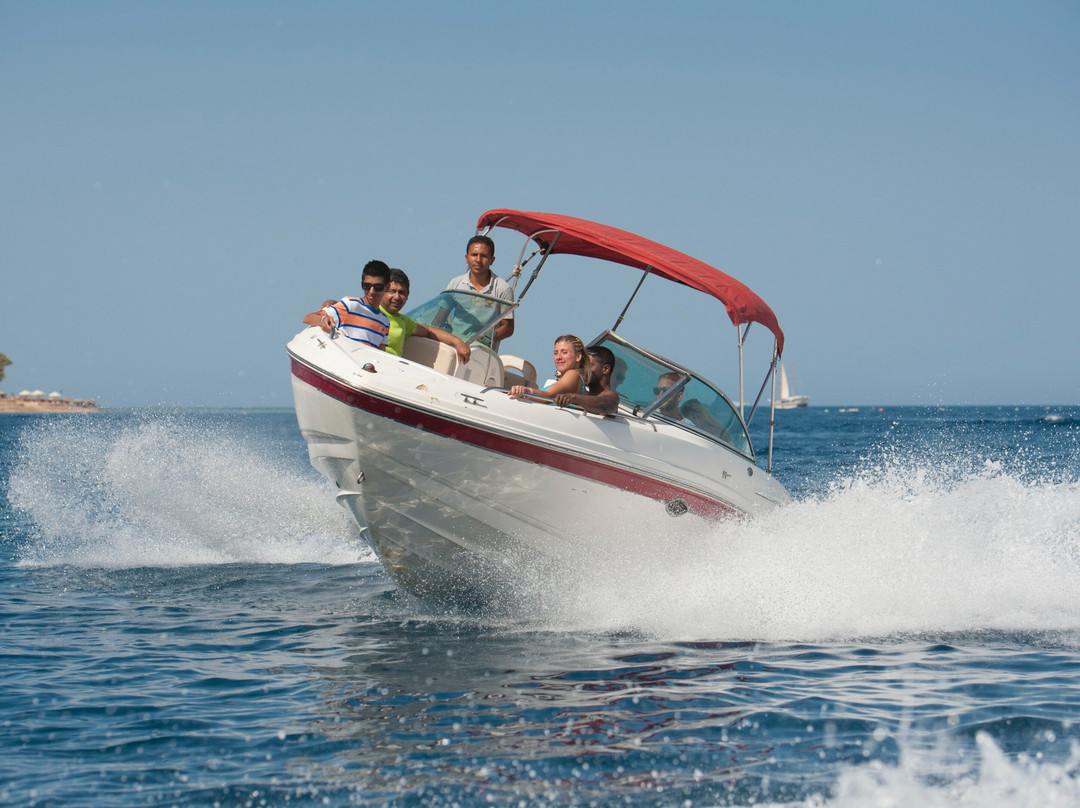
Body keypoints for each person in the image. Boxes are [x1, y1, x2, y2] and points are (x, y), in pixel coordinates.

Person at [381, 268, 471, 364]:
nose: (397, 297)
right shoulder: (371, 312)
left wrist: (457, 341)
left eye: (402, 292)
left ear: (408, 295)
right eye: (392, 291)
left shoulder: (403, 321)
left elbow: (428, 330)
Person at [444, 235, 515, 350]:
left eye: (484, 256)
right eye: (474, 255)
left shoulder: (503, 289)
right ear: (466, 258)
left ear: (492, 260)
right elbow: (441, 316)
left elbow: (508, 328)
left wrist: (482, 339)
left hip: (482, 355)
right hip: (452, 348)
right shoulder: (455, 283)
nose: (478, 260)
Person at [302, 260, 391, 350]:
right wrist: (323, 320)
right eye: (367, 286)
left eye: (378, 287)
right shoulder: (350, 305)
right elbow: (307, 318)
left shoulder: (385, 321)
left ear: (387, 287)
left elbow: (381, 353)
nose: (372, 291)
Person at [653, 371, 732, 443]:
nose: (660, 394)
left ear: (679, 396)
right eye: (657, 390)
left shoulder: (690, 428)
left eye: (666, 390)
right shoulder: (648, 416)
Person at [509, 335, 591, 401]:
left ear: (578, 356)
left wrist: (526, 391)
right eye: (555, 353)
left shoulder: (573, 375)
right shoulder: (567, 379)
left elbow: (547, 395)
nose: (558, 357)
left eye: (564, 352)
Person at [553, 346, 620, 415]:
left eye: (588, 365)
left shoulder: (612, 396)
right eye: (581, 366)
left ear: (605, 369)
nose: (583, 369)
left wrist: (572, 398)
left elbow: (604, 405)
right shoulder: (582, 393)